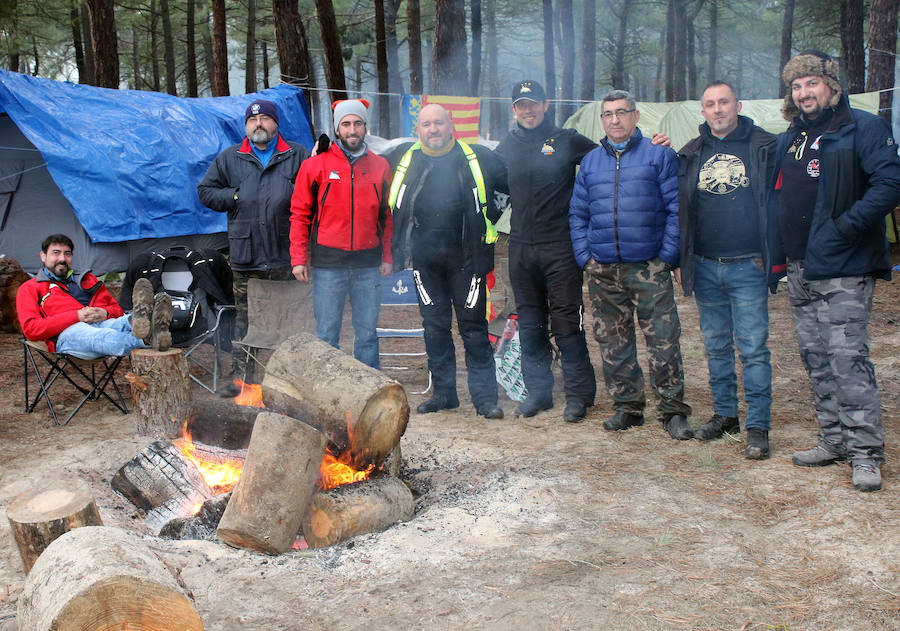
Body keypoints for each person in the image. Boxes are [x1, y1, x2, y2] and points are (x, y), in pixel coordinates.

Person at [775, 51, 900, 492]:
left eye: (811, 82)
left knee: (848, 359)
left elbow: (890, 184)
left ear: (831, 85)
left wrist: (847, 225)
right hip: (799, 266)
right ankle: (834, 439)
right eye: (796, 85)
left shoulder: (862, 127)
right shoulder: (791, 136)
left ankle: (866, 453)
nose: (804, 92)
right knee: (816, 358)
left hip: (845, 264)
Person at [569, 89, 692, 440]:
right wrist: (585, 257)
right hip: (603, 268)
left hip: (648, 267)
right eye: (608, 114)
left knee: (664, 341)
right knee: (613, 341)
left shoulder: (658, 155)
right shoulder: (591, 161)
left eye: (622, 112)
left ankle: (672, 410)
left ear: (635, 116)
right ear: (602, 120)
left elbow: (675, 210)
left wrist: (667, 256)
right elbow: (578, 213)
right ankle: (628, 407)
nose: (615, 120)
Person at [676, 81, 780, 460]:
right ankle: (725, 416)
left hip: (748, 264)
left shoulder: (765, 146)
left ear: (738, 104)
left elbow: (781, 201)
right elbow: (682, 211)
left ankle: (758, 426)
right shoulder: (691, 152)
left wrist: (773, 254)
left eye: (724, 102)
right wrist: (681, 260)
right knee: (716, 347)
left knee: (752, 349)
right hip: (705, 265)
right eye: (709, 104)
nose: (717, 109)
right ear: (702, 111)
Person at [388, 104, 508, 419]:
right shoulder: (405, 158)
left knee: (474, 328)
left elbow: (509, 187)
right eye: (426, 124)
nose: (433, 130)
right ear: (419, 129)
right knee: (434, 328)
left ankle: (485, 399)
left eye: (438, 123)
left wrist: (488, 217)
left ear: (450, 124)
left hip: (468, 259)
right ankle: (444, 394)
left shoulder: (477, 156)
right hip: (425, 261)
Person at [494, 80, 597, 423]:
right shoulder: (506, 145)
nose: (528, 110)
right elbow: (482, 182)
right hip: (521, 247)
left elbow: (608, 160)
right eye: (522, 105)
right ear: (514, 109)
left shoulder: (567, 140)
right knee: (531, 323)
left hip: (560, 247)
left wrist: (647, 142)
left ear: (546, 104)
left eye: (534, 103)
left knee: (568, 322)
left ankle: (579, 395)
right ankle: (538, 392)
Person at [197, 99, 310, 385]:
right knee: (246, 323)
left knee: (291, 322)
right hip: (246, 255)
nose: (258, 124)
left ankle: (289, 380)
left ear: (275, 123)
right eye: (252, 121)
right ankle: (244, 381)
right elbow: (205, 191)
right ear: (246, 126)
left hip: (286, 255)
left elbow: (315, 192)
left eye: (264, 120)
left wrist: (293, 193)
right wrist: (234, 195)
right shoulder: (230, 158)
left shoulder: (297, 154)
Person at [289, 99, 393, 368]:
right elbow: (300, 214)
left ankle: (370, 391)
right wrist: (298, 257)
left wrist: (387, 256)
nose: (352, 130)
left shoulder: (380, 166)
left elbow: (388, 216)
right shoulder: (315, 166)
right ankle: (327, 390)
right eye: (346, 124)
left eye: (357, 123)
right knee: (326, 333)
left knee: (368, 334)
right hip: (328, 264)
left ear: (365, 127)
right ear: (337, 129)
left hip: (368, 263)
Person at [17, 234, 171, 359]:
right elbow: (31, 329)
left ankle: (150, 320)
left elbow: (116, 310)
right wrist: (76, 316)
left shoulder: (87, 280)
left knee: (124, 321)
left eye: (67, 254)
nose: (62, 259)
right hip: (66, 334)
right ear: (43, 256)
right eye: (55, 253)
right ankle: (149, 339)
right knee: (102, 336)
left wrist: (105, 313)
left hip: (101, 323)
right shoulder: (30, 287)